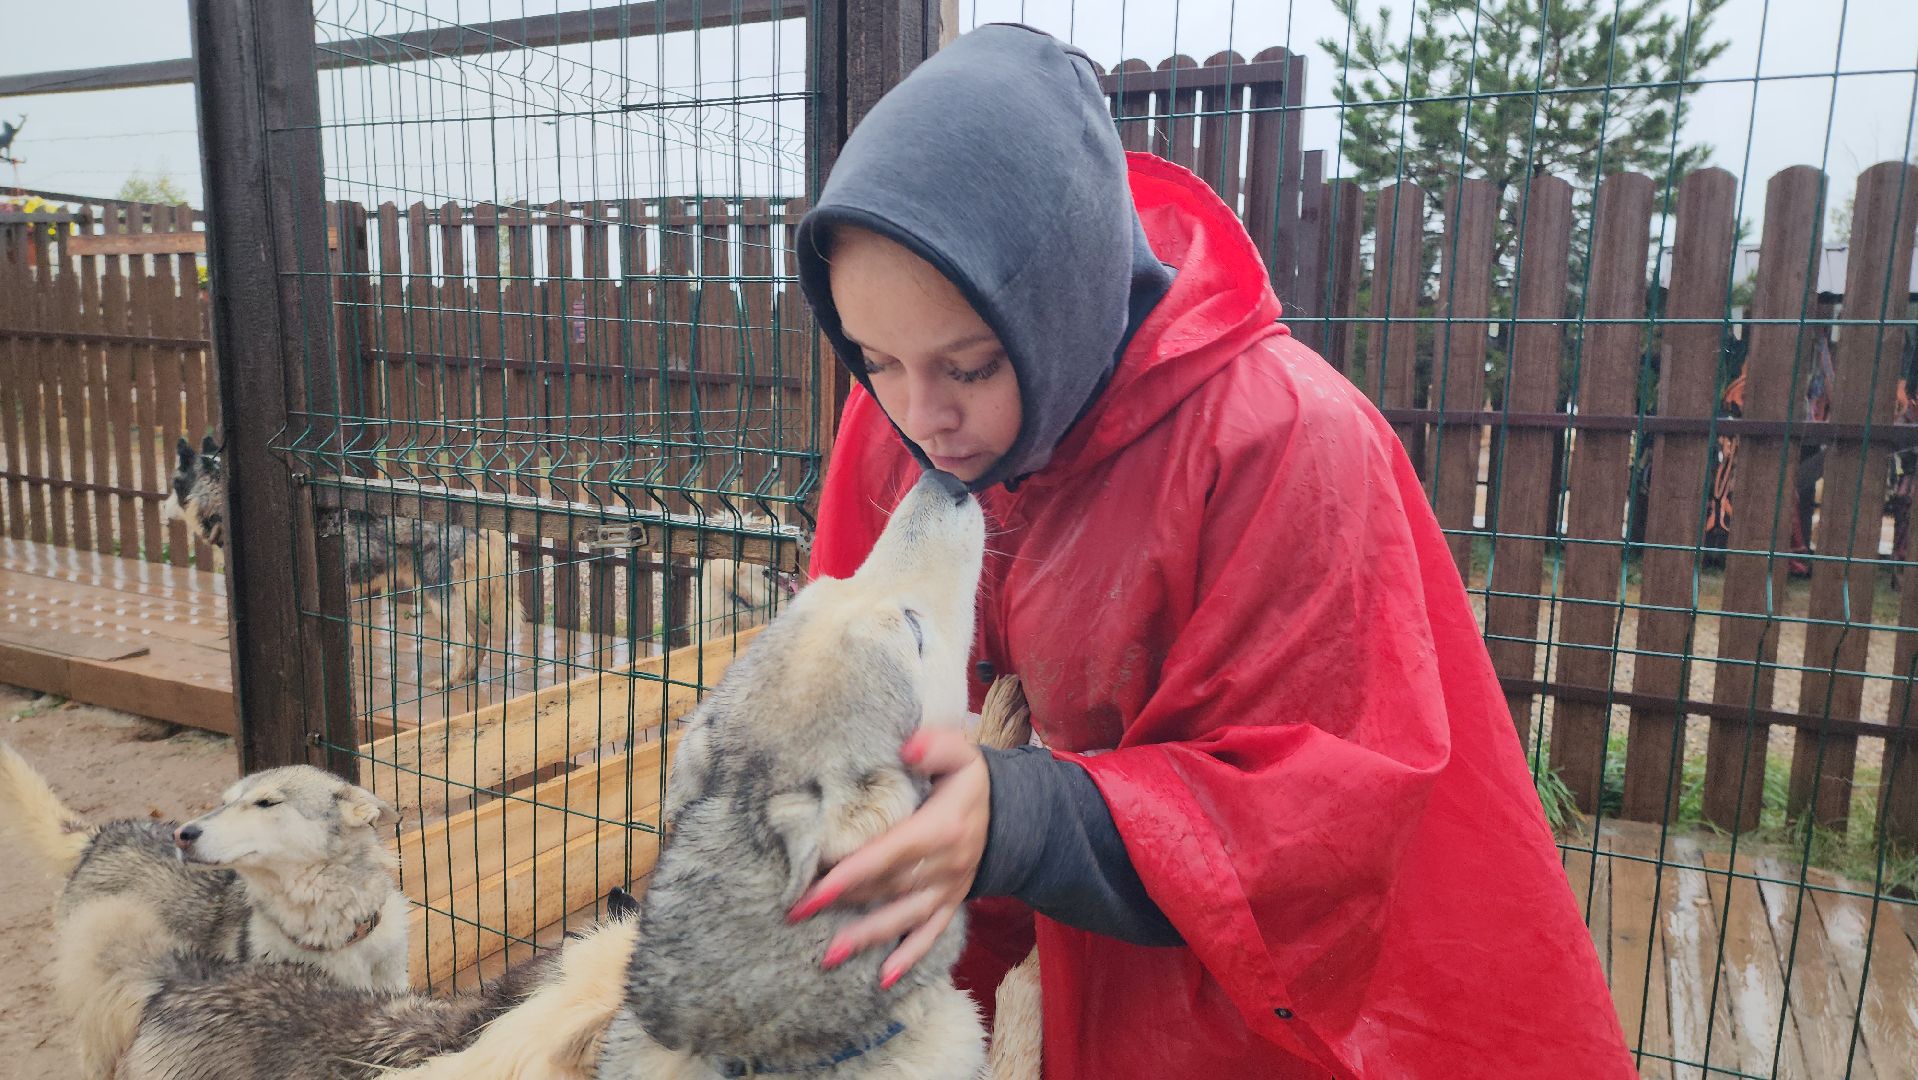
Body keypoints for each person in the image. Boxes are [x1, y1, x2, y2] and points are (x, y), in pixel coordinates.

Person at [784, 22, 1634, 1079]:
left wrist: (1021, 814)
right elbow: (873, 724)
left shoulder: (1282, 440)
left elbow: (1321, 821)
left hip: (1336, 993)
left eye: (971, 364)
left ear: (1063, 304)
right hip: (1109, 948)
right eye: (875, 359)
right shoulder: (903, 420)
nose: (923, 416)